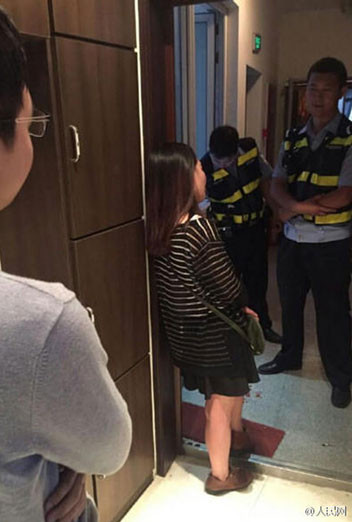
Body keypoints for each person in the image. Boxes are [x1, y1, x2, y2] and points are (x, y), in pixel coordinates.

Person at [0, 1, 132, 521]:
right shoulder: (39, 326)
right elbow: (109, 450)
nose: (34, 141)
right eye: (31, 125)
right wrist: (63, 463)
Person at [146, 142, 259, 494]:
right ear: (182, 178)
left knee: (223, 393)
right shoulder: (199, 229)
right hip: (215, 334)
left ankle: (237, 437)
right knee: (219, 405)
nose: (204, 173)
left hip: (185, 334)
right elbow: (228, 287)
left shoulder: (159, 227)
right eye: (198, 167)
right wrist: (244, 304)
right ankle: (221, 476)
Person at [258, 57, 352, 409]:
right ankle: (290, 356)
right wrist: (296, 207)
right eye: (313, 89)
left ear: (341, 93)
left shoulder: (348, 138)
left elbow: (345, 194)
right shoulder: (293, 137)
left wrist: (293, 209)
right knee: (290, 305)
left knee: (333, 313)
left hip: (331, 244)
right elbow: (276, 183)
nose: (317, 97)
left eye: (327, 90)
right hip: (292, 242)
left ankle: (341, 377)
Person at [201, 126, 282, 344]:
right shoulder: (204, 168)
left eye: (228, 160)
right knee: (230, 285)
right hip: (228, 236)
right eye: (218, 160)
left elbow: (266, 183)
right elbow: (200, 206)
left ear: (236, 150)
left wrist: (276, 214)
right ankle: (232, 332)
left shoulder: (250, 151)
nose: (223, 165)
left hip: (255, 229)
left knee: (258, 282)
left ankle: (262, 327)